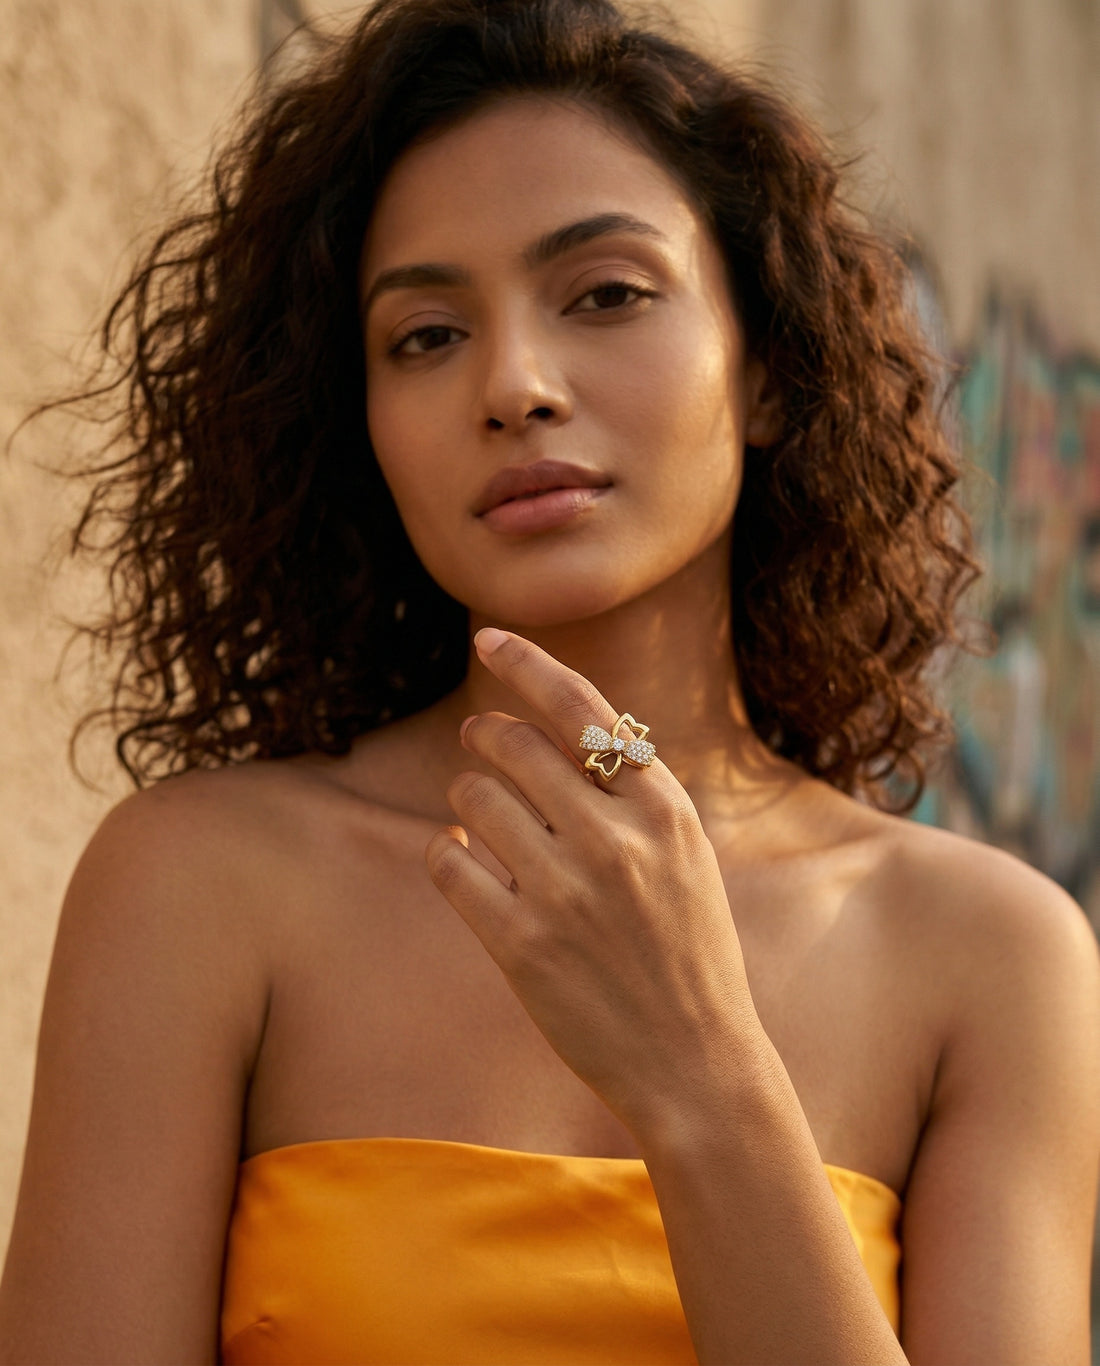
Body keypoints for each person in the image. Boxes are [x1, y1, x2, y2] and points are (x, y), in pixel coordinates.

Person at [2, 0, 1098, 1361]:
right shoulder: (196, 887)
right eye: (425, 335)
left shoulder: (991, 953)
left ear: (766, 369)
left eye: (606, 294)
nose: (514, 384)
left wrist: (700, 1072)